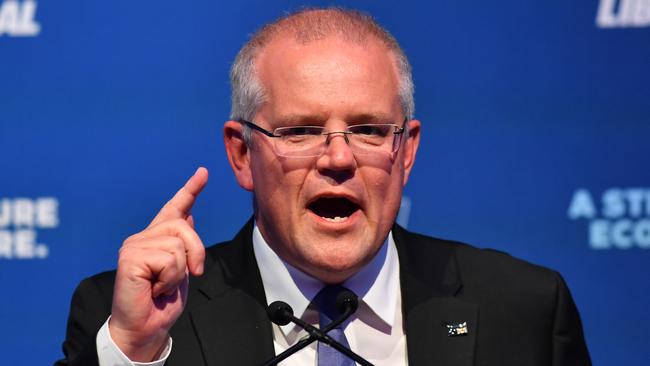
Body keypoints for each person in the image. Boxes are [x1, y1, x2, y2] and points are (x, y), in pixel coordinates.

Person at [56, 7, 591, 366]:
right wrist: (133, 350)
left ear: (405, 151)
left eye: (368, 130)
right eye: (301, 131)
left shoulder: (523, 309)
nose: (338, 158)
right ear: (242, 154)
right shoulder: (132, 321)